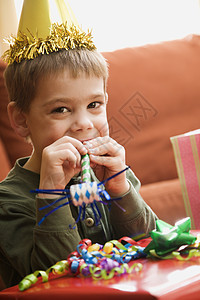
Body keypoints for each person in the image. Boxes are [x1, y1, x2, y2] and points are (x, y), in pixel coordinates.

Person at [0, 0, 157, 289]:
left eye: (94, 104)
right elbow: (56, 282)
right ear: (21, 120)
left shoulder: (112, 175)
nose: (84, 123)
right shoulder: (8, 203)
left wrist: (121, 190)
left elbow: (153, 245)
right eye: (61, 109)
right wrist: (50, 193)